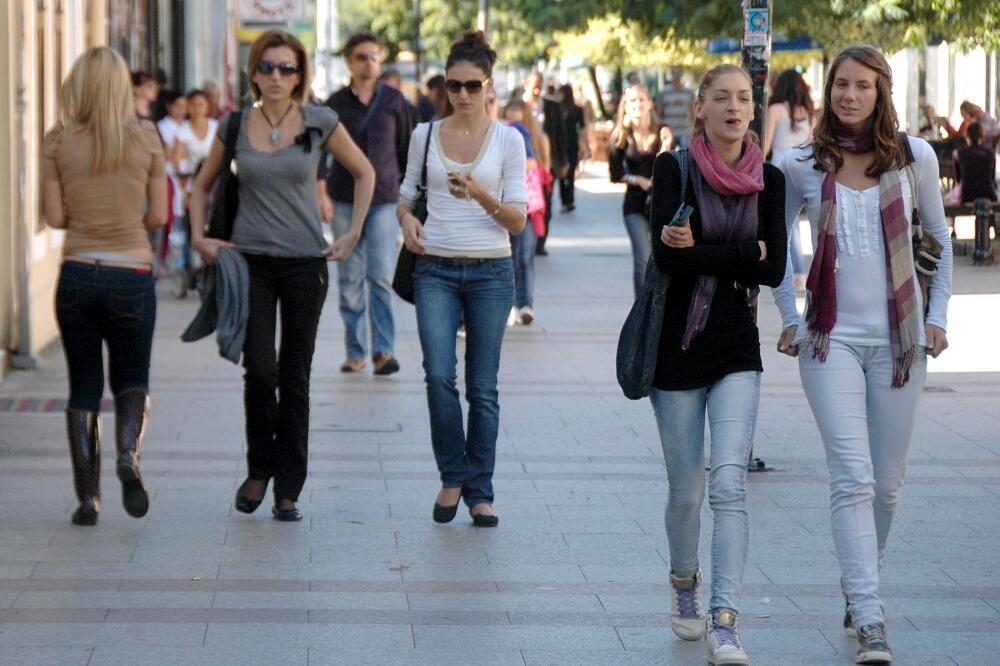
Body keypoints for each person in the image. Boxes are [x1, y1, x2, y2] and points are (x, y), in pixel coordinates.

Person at [773, 45, 952, 665]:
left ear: (881, 93)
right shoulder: (801, 163)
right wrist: (791, 320)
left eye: (862, 86)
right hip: (830, 340)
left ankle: (859, 588)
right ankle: (871, 616)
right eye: (840, 85)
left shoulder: (915, 157)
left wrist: (936, 317)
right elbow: (775, 256)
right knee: (853, 476)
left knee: (889, 486)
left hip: (901, 343)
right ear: (828, 91)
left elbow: (941, 241)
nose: (849, 95)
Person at [190, 30, 376, 522]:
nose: (277, 76)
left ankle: (288, 487)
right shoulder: (233, 125)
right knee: (261, 372)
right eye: (268, 67)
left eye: (287, 68)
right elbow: (201, 186)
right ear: (253, 72)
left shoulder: (319, 120)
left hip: (304, 264)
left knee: (294, 376)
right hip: (248, 264)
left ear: (300, 75)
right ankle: (259, 469)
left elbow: (364, 172)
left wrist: (352, 232)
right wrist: (197, 238)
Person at [647, 63, 786, 666]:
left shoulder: (771, 180)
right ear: (699, 107)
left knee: (729, 485)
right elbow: (666, 259)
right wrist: (741, 252)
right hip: (675, 351)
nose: (734, 107)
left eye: (744, 98)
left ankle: (725, 621)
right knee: (688, 492)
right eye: (722, 98)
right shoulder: (673, 169)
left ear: (754, 109)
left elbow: (774, 266)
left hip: (737, 348)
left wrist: (707, 251)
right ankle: (684, 584)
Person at [397, 30, 527, 528]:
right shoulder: (424, 135)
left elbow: (517, 221)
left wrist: (477, 192)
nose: (464, 95)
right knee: (437, 374)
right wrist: (407, 220)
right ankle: (454, 474)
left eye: (473, 85)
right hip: (435, 268)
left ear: (488, 85)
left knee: (484, 389)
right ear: (445, 87)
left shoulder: (508, 140)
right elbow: (406, 196)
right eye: (454, 85)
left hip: (491, 272)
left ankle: (480, 490)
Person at [42, 47, 168, 525]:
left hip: (77, 273)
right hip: (131, 273)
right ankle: (127, 457)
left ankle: (87, 500)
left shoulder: (58, 141)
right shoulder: (147, 137)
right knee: (132, 379)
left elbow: (54, 218)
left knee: (84, 387)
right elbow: (157, 215)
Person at [319, 33, 412, 375]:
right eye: (361, 56)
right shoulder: (334, 103)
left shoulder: (395, 101)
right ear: (349, 61)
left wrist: (409, 197)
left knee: (380, 277)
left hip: (386, 199)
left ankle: (384, 351)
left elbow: (406, 149)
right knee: (349, 278)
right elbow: (319, 151)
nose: (368, 62)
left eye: (374, 56)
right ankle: (356, 351)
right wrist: (321, 192)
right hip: (344, 197)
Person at [764, 69, 816, 292]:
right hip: (803, 170)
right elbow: (812, 143)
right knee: (795, 225)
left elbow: (765, 145)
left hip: (778, 170)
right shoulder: (809, 112)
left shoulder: (776, 109)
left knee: (785, 226)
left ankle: (796, 271)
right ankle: (800, 271)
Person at [609, 85, 662, 296]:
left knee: (658, 258)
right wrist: (636, 179)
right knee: (642, 256)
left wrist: (666, 144)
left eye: (641, 99)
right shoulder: (620, 137)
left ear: (649, 103)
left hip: (660, 204)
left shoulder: (662, 132)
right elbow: (614, 174)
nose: (638, 104)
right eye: (632, 101)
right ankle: (641, 307)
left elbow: (672, 163)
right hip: (634, 205)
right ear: (625, 107)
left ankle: (656, 302)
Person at [504, 99, 550, 326]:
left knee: (525, 256)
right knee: (513, 256)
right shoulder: (504, 130)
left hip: (529, 204)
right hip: (508, 204)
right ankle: (513, 304)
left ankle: (525, 304)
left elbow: (537, 165)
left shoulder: (530, 135)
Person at [522, 71, 568, 255]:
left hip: (546, 162)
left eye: (539, 85)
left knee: (546, 202)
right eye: (533, 85)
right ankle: (529, 239)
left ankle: (540, 242)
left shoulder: (551, 106)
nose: (536, 90)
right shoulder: (519, 105)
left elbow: (560, 135)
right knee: (528, 203)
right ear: (525, 84)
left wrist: (563, 161)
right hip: (524, 162)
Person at [953, 123, 998, 203]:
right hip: (989, 195)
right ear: (982, 136)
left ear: (967, 136)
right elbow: (992, 179)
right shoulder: (990, 154)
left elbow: (958, 179)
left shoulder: (959, 153)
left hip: (966, 195)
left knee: (947, 199)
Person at [558, 84, 586, 213]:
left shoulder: (566, 109)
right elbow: (582, 129)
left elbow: (582, 128)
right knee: (567, 174)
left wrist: (584, 144)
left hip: (566, 145)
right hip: (568, 145)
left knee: (566, 174)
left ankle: (567, 201)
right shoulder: (561, 109)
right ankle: (568, 201)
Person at [656, 67, 694, 147]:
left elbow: (692, 110)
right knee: (669, 157)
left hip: (685, 130)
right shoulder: (663, 92)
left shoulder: (688, 92)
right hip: (669, 130)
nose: (677, 76)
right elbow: (658, 111)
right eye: (675, 73)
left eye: (679, 73)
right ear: (672, 75)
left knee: (687, 156)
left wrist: (692, 126)